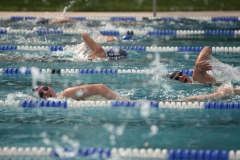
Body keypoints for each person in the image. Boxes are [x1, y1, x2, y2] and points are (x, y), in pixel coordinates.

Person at [32, 84, 129, 101]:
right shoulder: (62, 99)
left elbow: (99, 87)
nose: (45, 93)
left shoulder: (66, 94)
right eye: (41, 94)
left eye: (45, 88)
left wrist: (122, 100)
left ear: (49, 87)